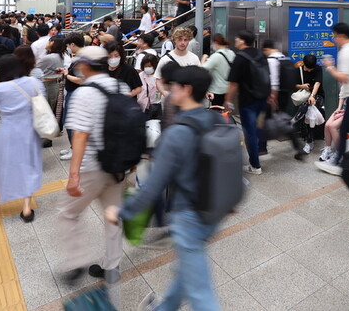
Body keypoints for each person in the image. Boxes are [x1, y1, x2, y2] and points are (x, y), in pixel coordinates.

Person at [106, 66, 224, 311]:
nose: (170, 91)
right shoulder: (216, 119)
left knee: (201, 293)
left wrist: (121, 212)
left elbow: (152, 186)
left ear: (187, 90)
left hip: (189, 215)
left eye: (174, 87)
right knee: (186, 269)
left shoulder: (178, 133)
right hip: (214, 211)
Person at [58, 46, 133, 283]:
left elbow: (80, 135)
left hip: (92, 166)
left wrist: (73, 175)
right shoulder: (120, 86)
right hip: (117, 164)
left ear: (85, 66)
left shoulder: (83, 93)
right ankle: (111, 266)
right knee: (112, 216)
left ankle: (76, 261)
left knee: (67, 214)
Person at [0, 54, 42, 221]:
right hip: (30, 131)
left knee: (1, 165)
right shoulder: (34, 82)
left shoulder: (0, 88)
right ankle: (27, 208)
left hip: (8, 132)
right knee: (29, 165)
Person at [317, 23, 349, 176]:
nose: (334, 40)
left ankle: (343, 161)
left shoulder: (346, 52)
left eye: (334, 36)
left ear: (340, 35)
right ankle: (342, 160)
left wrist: (329, 66)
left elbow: (344, 78)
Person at [226, 31, 268, 174]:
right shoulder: (260, 54)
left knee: (249, 133)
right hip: (262, 98)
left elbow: (233, 84)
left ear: (242, 41)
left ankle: (255, 166)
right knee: (257, 129)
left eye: (237, 39)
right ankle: (261, 151)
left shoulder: (240, 58)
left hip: (248, 101)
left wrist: (227, 100)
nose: (235, 41)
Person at [295, 53, 324, 154]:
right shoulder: (298, 70)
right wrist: (302, 86)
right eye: (308, 68)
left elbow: (317, 83)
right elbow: (294, 84)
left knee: (309, 108)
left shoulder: (318, 69)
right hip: (304, 96)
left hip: (317, 95)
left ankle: (309, 142)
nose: (310, 70)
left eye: (311, 69)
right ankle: (309, 141)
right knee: (307, 109)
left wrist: (312, 95)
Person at [202, 34, 235, 103]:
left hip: (217, 90)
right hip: (228, 89)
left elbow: (202, 69)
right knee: (225, 111)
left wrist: (204, 58)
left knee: (217, 110)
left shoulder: (216, 56)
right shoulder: (231, 53)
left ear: (215, 43)